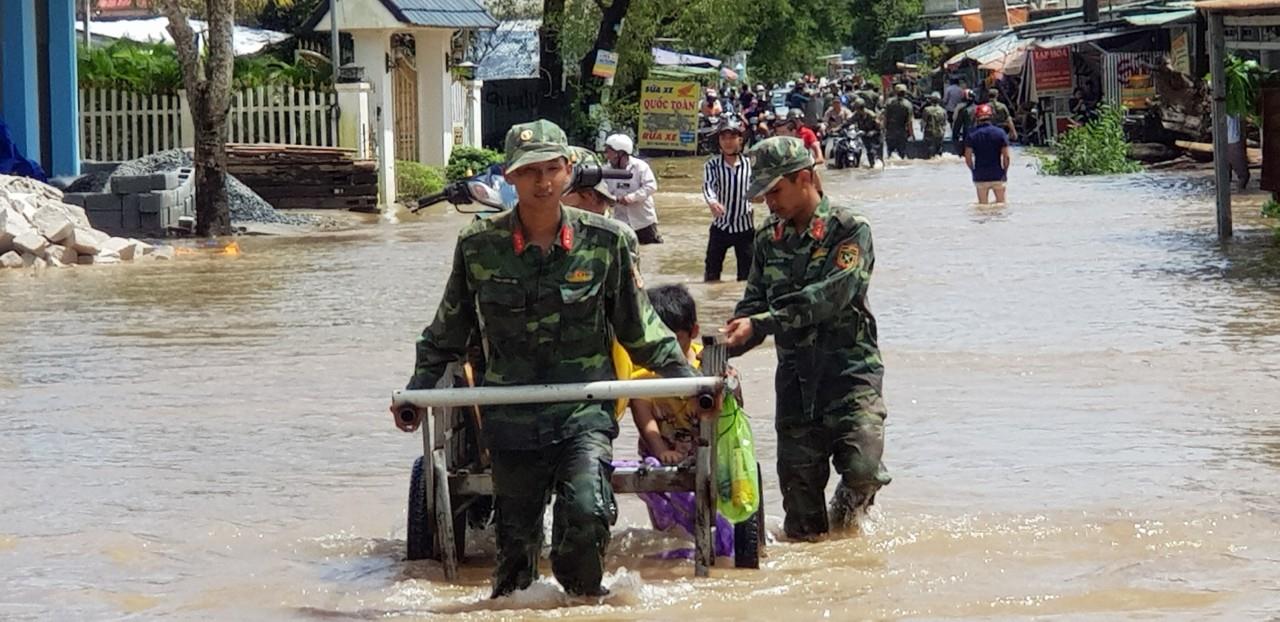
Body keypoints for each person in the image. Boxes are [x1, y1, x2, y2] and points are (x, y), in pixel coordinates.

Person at [396, 119, 699, 599]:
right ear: (510, 177)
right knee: (515, 558)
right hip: (511, 418)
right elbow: (448, 331)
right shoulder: (479, 246)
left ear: (569, 171)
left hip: (583, 414)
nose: (542, 182)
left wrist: (689, 384)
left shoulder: (608, 243)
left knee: (585, 513)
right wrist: (415, 392)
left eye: (553, 169)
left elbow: (642, 331)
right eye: (529, 171)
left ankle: (580, 601)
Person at [723, 136, 891, 541]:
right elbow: (754, 303)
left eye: (775, 191)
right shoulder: (768, 240)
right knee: (800, 509)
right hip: (796, 379)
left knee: (864, 470)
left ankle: (848, 523)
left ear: (805, 178)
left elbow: (830, 297)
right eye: (763, 195)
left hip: (851, 373)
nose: (769, 203)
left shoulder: (850, 230)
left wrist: (761, 324)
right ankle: (816, 566)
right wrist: (728, 342)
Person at [703, 118, 755, 282]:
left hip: (745, 227)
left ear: (740, 139)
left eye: (732, 137)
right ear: (719, 141)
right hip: (721, 227)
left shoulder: (750, 165)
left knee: (746, 278)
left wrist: (760, 196)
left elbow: (759, 188)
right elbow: (708, 186)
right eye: (723, 138)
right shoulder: (712, 165)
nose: (728, 142)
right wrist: (712, 202)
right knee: (711, 274)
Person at [604, 134, 662, 244]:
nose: (607, 155)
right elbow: (603, 190)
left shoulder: (640, 167)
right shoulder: (606, 170)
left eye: (609, 152)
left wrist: (630, 198)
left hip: (644, 221)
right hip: (621, 222)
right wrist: (610, 199)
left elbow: (651, 186)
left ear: (620, 153)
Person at [964, 104, 1011, 205]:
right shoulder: (1000, 133)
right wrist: (1005, 172)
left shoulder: (972, 134)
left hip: (980, 176)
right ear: (991, 117)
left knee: (982, 207)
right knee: (1001, 205)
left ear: (977, 118)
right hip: (998, 174)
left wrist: (973, 171)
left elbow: (968, 158)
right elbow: (1006, 157)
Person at [882, 84, 914, 159]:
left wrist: (883, 129)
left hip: (890, 131)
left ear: (895, 92)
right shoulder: (908, 105)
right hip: (902, 132)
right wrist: (912, 134)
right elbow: (910, 122)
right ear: (905, 93)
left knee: (890, 154)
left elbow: (885, 118)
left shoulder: (889, 102)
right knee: (902, 154)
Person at [849, 99, 882, 167]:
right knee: (868, 151)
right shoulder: (856, 115)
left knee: (875, 152)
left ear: (861, 108)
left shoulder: (871, 115)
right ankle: (871, 166)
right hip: (864, 135)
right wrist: (838, 128)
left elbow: (879, 128)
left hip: (875, 137)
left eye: (856, 108)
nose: (855, 110)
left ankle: (877, 167)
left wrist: (873, 132)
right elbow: (848, 122)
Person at [921, 92, 948, 159]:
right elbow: (944, 124)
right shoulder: (943, 111)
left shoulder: (926, 110)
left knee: (929, 153)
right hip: (940, 134)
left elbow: (923, 122)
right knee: (938, 152)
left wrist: (922, 129)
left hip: (929, 133)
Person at [951, 89, 976, 156]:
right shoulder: (979, 109)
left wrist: (955, 137)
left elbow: (957, 125)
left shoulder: (963, 110)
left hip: (968, 136)